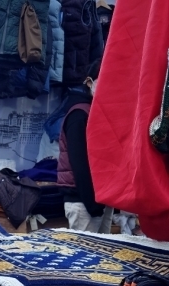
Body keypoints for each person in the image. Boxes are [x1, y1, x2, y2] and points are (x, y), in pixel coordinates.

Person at [56, 59, 112, 233]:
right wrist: (93, 205)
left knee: (104, 250)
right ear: (89, 82)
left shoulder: (97, 113)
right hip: (84, 202)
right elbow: (79, 163)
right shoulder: (79, 115)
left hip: (100, 199)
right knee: (87, 250)